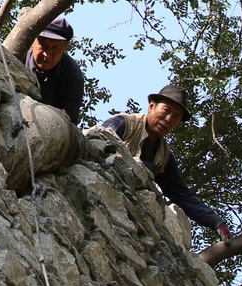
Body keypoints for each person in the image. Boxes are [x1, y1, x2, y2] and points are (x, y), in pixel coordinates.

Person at [99, 85, 233, 239]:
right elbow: (95, 145)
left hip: (126, 211)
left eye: (176, 116)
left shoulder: (163, 156)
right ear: (151, 106)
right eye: (166, 110)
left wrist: (216, 222)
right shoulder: (124, 125)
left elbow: (182, 195)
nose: (168, 119)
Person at [26, 16, 84, 121]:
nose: (47, 54)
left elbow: (69, 119)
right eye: (43, 46)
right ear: (34, 41)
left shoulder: (72, 75)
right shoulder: (18, 58)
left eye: (55, 48)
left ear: (65, 48)